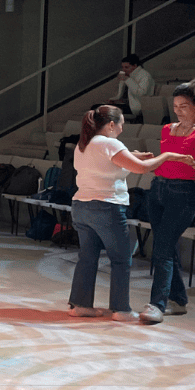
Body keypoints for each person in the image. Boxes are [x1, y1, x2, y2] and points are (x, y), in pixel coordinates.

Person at [68, 105, 193, 322]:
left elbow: (112, 165)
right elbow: (141, 169)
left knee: (87, 258)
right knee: (121, 258)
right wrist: (168, 156)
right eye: (121, 125)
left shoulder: (83, 144)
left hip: (81, 206)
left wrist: (135, 156)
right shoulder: (110, 143)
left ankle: (79, 305)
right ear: (110, 125)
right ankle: (121, 309)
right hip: (106, 206)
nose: (122, 130)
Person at [142, 83, 195, 324]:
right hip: (159, 188)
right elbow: (165, 161)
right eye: (176, 106)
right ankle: (179, 301)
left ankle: (157, 304)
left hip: (184, 193)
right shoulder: (166, 129)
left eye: (184, 106)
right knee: (167, 246)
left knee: (162, 249)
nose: (179, 111)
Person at [109, 54, 155, 120]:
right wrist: (116, 99)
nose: (124, 70)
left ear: (135, 66)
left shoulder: (145, 76)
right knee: (100, 108)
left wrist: (127, 79)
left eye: (126, 67)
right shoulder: (131, 75)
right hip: (131, 105)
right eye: (123, 67)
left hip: (138, 108)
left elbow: (140, 93)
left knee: (100, 109)